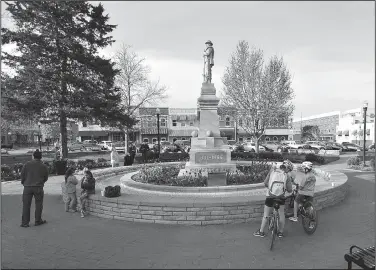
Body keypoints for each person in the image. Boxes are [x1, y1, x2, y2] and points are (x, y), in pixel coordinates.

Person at [253, 160, 294, 238]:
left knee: (266, 214)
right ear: (287, 169)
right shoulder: (287, 176)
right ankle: (280, 232)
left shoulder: (272, 171)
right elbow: (289, 190)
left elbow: (265, 183)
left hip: (270, 196)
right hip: (281, 197)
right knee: (281, 214)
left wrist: (270, 188)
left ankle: (261, 232)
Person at [20, 149, 49, 227]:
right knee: (39, 204)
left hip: (27, 186)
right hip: (38, 186)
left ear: (33, 156)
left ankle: (25, 223)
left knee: (26, 205)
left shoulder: (27, 164)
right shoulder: (43, 166)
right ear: (41, 157)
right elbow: (46, 177)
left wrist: (24, 182)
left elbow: (22, 175)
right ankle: (37, 220)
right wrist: (41, 182)